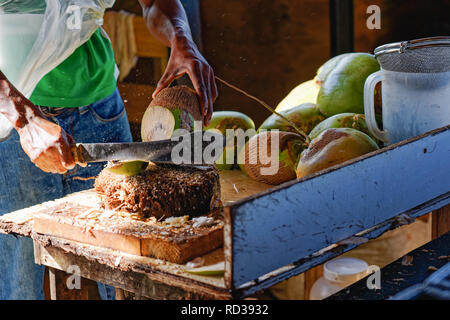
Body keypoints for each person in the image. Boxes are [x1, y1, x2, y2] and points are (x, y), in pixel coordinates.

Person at [0, 0, 217, 300]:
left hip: (101, 111)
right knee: (21, 280)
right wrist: (25, 119)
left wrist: (181, 37)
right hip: (14, 121)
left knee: (128, 274)